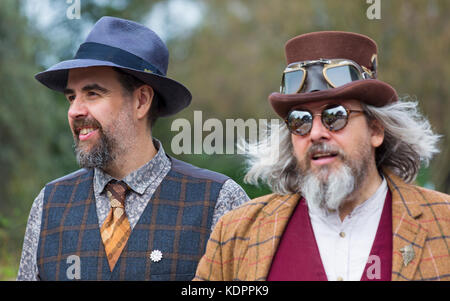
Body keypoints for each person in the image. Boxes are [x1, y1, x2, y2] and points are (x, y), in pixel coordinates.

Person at [194, 31, 450, 281]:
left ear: (375, 129)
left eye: (335, 116)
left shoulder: (444, 222)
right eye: (300, 120)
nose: (316, 133)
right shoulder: (236, 233)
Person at [17, 16, 249, 281]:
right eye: (72, 97)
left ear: (141, 101)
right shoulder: (49, 204)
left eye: (93, 94)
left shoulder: (219, 200)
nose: (74, 111)